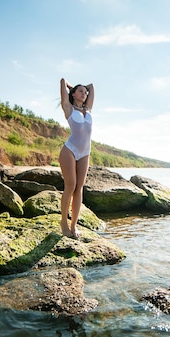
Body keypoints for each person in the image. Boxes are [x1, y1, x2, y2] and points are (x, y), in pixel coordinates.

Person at [59, 78, 94, 239]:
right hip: (70, 150)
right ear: (73, 93)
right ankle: (64, 224)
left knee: (79, 188)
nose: (85, 93)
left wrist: (83, 90)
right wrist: (72, 88)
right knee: (71, 185)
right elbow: (62, 81)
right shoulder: (68, 108)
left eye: (85, 93)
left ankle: (74, 225)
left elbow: (92, 87)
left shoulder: (88, 109)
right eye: (81, 91)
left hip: (85, 152)